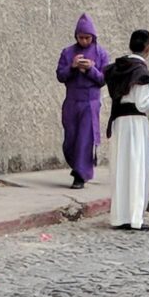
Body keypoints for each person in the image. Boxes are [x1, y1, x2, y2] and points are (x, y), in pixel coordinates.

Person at [103, 29, 149, 232]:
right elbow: (143, 104)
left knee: (121, 169)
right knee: (136, 168)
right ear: (148, 48)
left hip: (120, 122)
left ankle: (120, 216)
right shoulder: (141, 73)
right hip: (135, 123)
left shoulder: (119, 67)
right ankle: (135, 218)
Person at [55, 13, 108, 190]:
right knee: (71, 138)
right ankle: (76, 166)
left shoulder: (101, 53)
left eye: (87, 37)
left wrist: (90, 69)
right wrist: (73, 67)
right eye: (81, 37)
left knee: (85, 139)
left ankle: (80, 174)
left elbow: (102, 80)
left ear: (93, 37)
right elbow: (60, 76)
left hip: (90, 103)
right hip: (72, 101)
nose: (84, 41)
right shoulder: (68, 52)